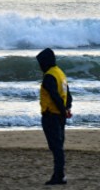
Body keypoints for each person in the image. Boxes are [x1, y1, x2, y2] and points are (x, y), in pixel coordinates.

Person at [36, 48, 73, 185]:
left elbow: (55, 96)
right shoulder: (60, 74)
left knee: (56, 147)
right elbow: (68, 95)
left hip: (51, 116)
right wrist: (67, 109)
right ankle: (59, 174)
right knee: (58, 146)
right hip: (60, 117)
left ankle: (59, 176)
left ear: (46, 62)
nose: (40, 66)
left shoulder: (49, 76)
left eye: (40, 63)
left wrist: (63, 111)